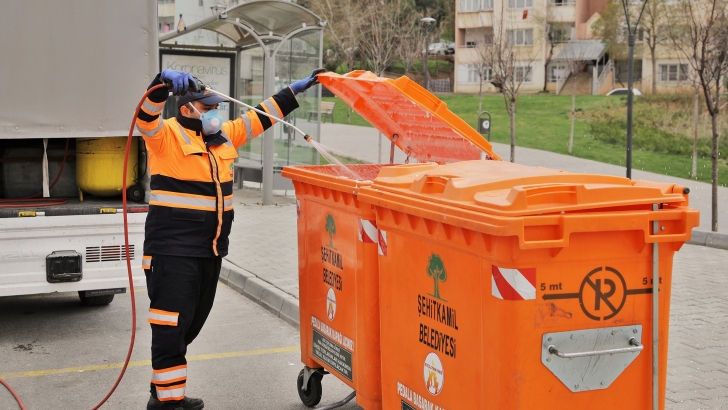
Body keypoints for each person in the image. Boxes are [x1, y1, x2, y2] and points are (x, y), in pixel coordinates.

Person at [136, 68, 323, 410]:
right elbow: (145, 116)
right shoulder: (165, 136)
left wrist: (293, 92)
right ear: (187, 108)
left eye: (215, 107)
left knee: (188, 325)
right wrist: (161, 84)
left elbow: (259, 117)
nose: (214, 113)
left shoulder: (223, 137)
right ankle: (168, 403)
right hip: (173, 251)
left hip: (210, 251)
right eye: (207, 107)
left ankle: (162, 391)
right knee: (170, 327)